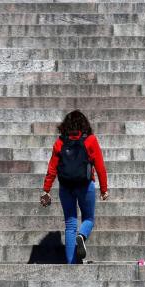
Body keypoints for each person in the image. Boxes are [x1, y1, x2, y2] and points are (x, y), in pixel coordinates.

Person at [40, 110, 110, 265]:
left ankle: (71, 264)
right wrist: (104, 189)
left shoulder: (60, 143)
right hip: (85, 186)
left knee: (70, 224)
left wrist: (46, 189)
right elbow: (100, 167)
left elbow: (52, 169)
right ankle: (82, 235)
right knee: (89, 218)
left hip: (65, 187)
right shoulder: (90, 140)